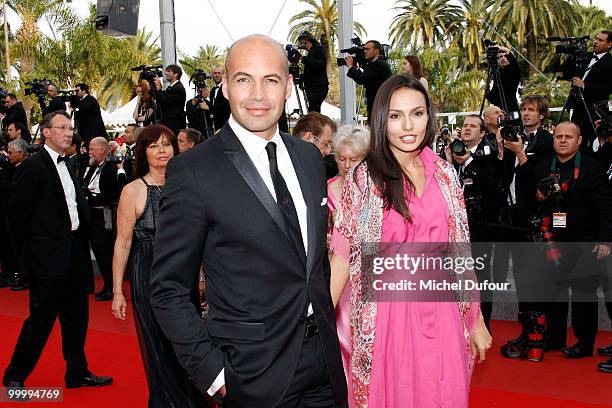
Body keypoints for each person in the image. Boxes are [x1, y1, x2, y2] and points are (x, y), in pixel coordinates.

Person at [150, 34, 347, 407]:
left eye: (270, 80)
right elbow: (168, 290)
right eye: (243, 79)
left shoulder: (309, 159)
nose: (258, 94)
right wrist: (213, 373)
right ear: (224, 86)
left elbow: (313, 263)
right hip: (250, 373)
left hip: (324, 362)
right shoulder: (193, 170)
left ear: (288, 86)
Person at [329, 74, 491, 407]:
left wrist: (476, 319)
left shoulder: (445, 174)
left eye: (417, 114)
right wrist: (313, 321)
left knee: (445, 394)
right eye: (395, 115)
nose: (408, 125)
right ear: (381, 120)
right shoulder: (364, 178)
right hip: (389, 319)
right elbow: (343, 255)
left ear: (429, 117)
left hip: (442, 311)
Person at [2, 111, 112, 391]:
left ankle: (77, 373)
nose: (67, 132)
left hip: (75, 253)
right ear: (46, 132)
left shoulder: (71, 165)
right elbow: (17, 217)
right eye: (61, 127)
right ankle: (14, 375)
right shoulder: (32, 167)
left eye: (70, 128)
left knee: (77, 319)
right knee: (40, 321)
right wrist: (27, 257)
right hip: (47, 258)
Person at [111, 124, 204, 407]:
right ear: (143, 152)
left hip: (184, 274)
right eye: (154, 146)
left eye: (167, 144)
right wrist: (117, 291)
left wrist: (201, 276)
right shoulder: (133, 191)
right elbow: (123, 243)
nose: (162, 150)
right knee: (159, 345)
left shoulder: (189, 186)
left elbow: (203, 237)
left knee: (188, 344)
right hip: (148, 274)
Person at [516, 121, 612, 364]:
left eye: (569, 137)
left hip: (585, 241)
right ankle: (551, 337)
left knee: (583, 295)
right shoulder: (542, 166)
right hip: (552, 241)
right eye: (558, 136)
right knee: (549, 291)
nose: (562, 140)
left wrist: (605, 241)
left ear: (579, 140)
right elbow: (528, 195)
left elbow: (606, 209)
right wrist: (537, 195)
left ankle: (584, 343)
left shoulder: (592, 168)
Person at [325, 124, 369, 379]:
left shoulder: (377, 190)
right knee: (342, 334)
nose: (347, 164)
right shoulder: (327, 188)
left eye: (354, 159)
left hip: (370, 273)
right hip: (339, 274)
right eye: (341, 158)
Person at [83, 137, 126, 301]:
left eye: (92, 148)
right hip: (92, 214)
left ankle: (111, 287)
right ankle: (108, 286)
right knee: (99, 251)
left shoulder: (109, 169)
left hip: (104, 215)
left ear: (102, 150)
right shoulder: (94, 167)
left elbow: (112, 195)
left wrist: (91, 197)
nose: (89, 151)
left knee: (105, 251)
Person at [570, 30, 612, 146]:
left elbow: (608, 87)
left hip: (594, 110)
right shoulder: (585, 57)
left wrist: (584, 85)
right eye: (596, 39)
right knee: (574, 137)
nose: (596, 42)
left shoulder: (610, 63)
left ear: (609, 44)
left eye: (600, 40)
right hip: (577, 106)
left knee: (592, 140)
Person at [345, 40, 392, 121]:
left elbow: (362, 79)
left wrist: (350, 66)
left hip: (379, 104)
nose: (364, 52)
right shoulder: (374, 63)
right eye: (364, 49)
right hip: (376, 103)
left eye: (367, 49)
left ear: (376, 50)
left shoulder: (378, 64)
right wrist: (355, 68)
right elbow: (365, 77)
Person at [298, 31, 329, 113]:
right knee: (313, 109)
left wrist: (303, 59)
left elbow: (321, 64)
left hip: (318, 86)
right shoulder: (310, 53)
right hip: (311, 87)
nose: (303, 45)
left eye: (304, 43)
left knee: (313, 110)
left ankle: (315, 125)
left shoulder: (319, 49)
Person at [152, 65, 187, 136]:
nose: (166, 73)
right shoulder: (171, 88)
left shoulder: (178, 88)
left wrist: (159, 88)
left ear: (176, 74)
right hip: (169, 123)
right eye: (166, 71)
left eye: (169, 71)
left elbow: (163, 101)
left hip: (174, 124)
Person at [485, 45, 520, 114]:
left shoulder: (514, 71)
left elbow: (514, 63)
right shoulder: (497, 74)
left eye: (505, 56)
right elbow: (492, 99)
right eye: (500, 57)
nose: (503, 58)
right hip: (498, 111)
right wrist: (487, 91)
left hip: (511, 109)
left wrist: (505, 50)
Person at [209, 66, 231, 132]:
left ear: (223, 75)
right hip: (216, 125)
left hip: (226, 124)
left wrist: (208, 107)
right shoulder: (212, 90)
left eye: (219, 73)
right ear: (212, 75)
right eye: (215, 73)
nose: (217, 75)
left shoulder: (227, 87)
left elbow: (226, 106)